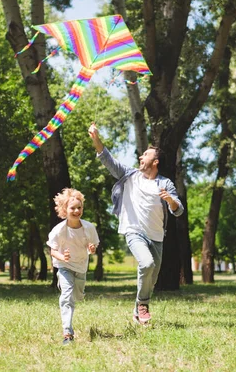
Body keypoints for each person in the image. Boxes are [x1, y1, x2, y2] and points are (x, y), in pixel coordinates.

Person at [88, 123, 184, 325]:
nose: (141, 157)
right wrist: (96, 139)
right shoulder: (129, 176)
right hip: (134, 231)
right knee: (146, 263)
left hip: (156, 236)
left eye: (146, 155)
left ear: (155, 161)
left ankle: (136, 310)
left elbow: (179, 210)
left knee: (152, 278)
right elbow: (108, 160)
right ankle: (143, 305)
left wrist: (171, 201)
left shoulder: (165, 183)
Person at [46, 188, 99, 345]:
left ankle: (69, 288)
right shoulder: (59, 230)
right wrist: (63, 257)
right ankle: (67, 333)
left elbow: (93, 246)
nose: (76, 211)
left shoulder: (89, 228)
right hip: (64, 266)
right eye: (72, 208)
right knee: (67, 297)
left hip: (81, 267)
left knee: (78, 296)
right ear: (64, 210)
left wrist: (91, 249)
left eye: (79, 207)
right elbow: (53, 251)